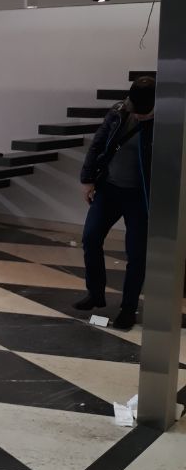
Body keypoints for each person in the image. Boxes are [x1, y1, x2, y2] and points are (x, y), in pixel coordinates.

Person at [74, 76, 155, 331]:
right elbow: (97, 145)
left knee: (137, 254)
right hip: (109, 189)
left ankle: (128, 309)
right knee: (90, 238)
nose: (139, 115)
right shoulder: (119, 113)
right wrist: (87, 180)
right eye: (136, 109)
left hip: (140, 196)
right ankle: (95, 293)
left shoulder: (166, 124)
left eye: (145, 112)